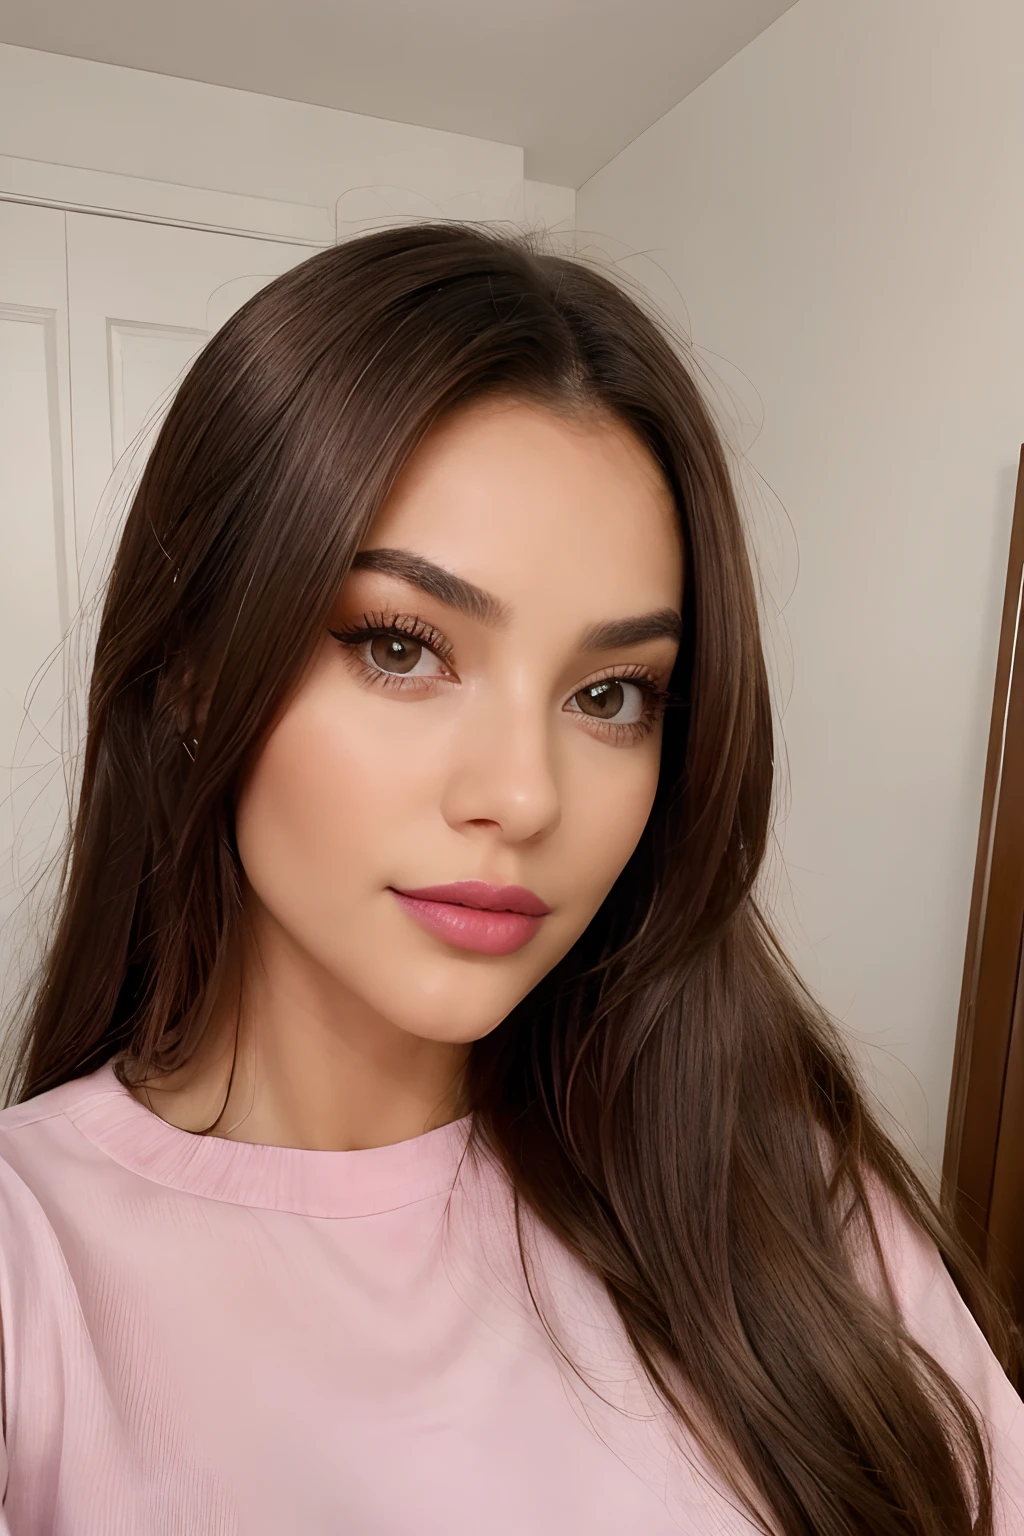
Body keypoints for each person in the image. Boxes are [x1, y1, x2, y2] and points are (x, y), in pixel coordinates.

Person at [0, 222, 1020, 1536]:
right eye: (401, 647)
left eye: (611, 694)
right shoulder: (33, 1271)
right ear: (195, 671)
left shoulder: (776, 1197)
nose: (527, 796)